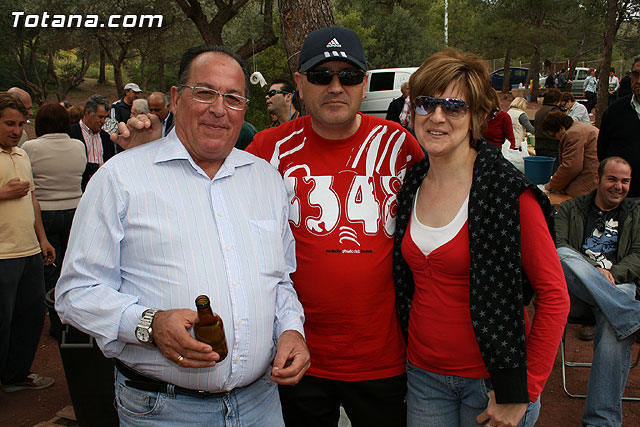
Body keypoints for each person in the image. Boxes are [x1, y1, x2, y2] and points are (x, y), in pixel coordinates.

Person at [55, 45, 309, 426]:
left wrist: (291, 329)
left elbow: (279, 280)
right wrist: (149, 324)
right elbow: (75, 293)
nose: (219, 109)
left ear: (245, 107)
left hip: (262, 404)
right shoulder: (120, 178)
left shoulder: (267, 180)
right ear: (175, 99)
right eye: (204, 92)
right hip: (165, 411)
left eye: (234, 98)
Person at [247, 26, 424, 426]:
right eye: (320, 75)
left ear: (364, 83)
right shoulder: (266, 150)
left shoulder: (399, 145)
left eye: (348, 76)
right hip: (296, 353)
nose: (335, 86)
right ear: (299, 83)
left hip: (382, 355)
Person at [393, 48, 569, 427]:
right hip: (424, 378)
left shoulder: (509, 193)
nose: (437, 116)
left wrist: (523, 390)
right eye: (426, 104)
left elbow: (555, 296)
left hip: (492, 383)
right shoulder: (411, 183)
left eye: (454, 106)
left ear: (474, 116)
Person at [555, 156, 640, 427]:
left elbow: (639, 254)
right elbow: (558, 246)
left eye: (625, 181)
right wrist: (594, 271)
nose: (619, 186)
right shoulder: (571, 208)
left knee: (614, 323)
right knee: (560, 254)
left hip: (619, 287)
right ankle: (632, 315)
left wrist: (612, 274)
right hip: (579, 290)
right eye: (612, 179)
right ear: (597, 179)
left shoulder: (636, 213)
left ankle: (600, 422)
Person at [0, 92, 56, 393]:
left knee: (31, 317)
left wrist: (43, 238)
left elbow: (32, 198)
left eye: (21, 124)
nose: (16, 130)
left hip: (29, 251)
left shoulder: (22, 154)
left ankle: (16, 374)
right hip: (2, 255)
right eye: (10, 123)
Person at [21, 104, 86, 296]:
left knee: (50, 263)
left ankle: (53, 308)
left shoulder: (30, 147)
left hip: (45, 212)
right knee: (71, 263)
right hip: (75, 209)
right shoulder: (78, 145)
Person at [598, 56, 640, 198]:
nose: (638, 81)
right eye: (636, 74)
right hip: (620, 198)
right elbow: (602, 151)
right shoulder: (615, 110)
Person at [542, 111, 599, 197]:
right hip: (594, 178)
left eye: (554, 135)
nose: (556, 138)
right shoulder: (581, 128)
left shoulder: (573, 134)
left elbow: (571, 167)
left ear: (562, 128)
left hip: (588, 182)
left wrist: (552, 185)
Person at [69, 94, 117, 190]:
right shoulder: (71, 134)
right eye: (100, 117)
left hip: (102, 191)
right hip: (78, 191)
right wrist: (98, 167)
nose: (103, 121)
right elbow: (71, 165)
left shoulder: (107, 138)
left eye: (105, 118)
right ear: (88, 113)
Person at [534, 88, 563, 171]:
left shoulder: (539, 111)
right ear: (557, 100)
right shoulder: (555, 111)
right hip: (552, 145)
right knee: (552, 171)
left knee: (542, 171)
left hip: (539, 145)